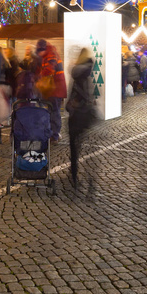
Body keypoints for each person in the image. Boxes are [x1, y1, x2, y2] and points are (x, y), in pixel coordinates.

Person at [67, 47, 97, 189]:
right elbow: (85, 94)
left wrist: (71, 105)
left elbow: (74, 93)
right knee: (84, 144)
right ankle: (88, 172)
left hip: (75, 114)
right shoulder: (85, 75)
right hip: (83, 114)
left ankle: (73, 172)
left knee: (74, 145)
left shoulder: (75, 73)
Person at [34, 40, 66, 142]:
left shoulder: (51, 54)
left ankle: (54, 135)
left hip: (55, 88)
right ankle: (52, 133)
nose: (39, 54)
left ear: (43, 49)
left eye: (40, 51)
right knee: (52, 110)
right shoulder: (48, 54)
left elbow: (49, 69)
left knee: (54, 111)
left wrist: (39, 76)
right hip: (53, 89)